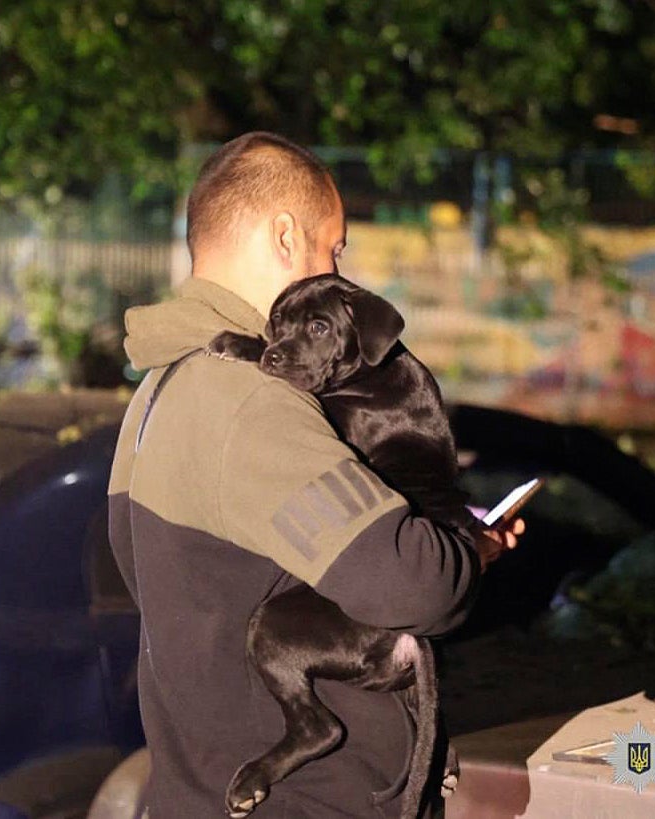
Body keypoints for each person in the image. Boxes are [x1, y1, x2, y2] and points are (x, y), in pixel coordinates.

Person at [107, 131, 523, 818]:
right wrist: (471, 548)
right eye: (333, 246)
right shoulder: (250, 404)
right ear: (283, 236)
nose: (336, 268)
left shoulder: (157, 392)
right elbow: (418, 586)